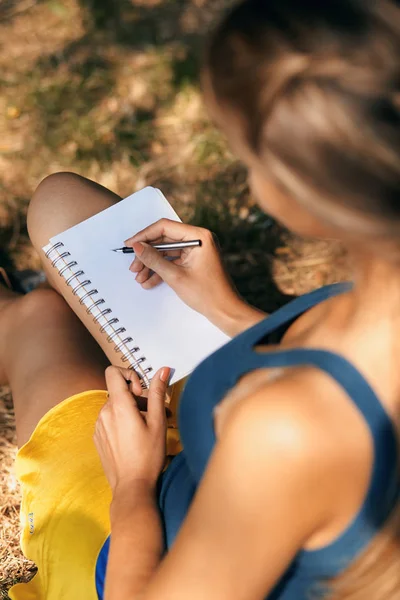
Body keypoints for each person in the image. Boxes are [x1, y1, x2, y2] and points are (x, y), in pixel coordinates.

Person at [3, 0, 400, 598]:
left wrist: (134, 482)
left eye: (245, 156)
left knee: (34, 319)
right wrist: (226, 311)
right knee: (61, 205)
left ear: (301, 188)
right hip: (220, 468)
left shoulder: (287, 432)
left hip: (143, 537)